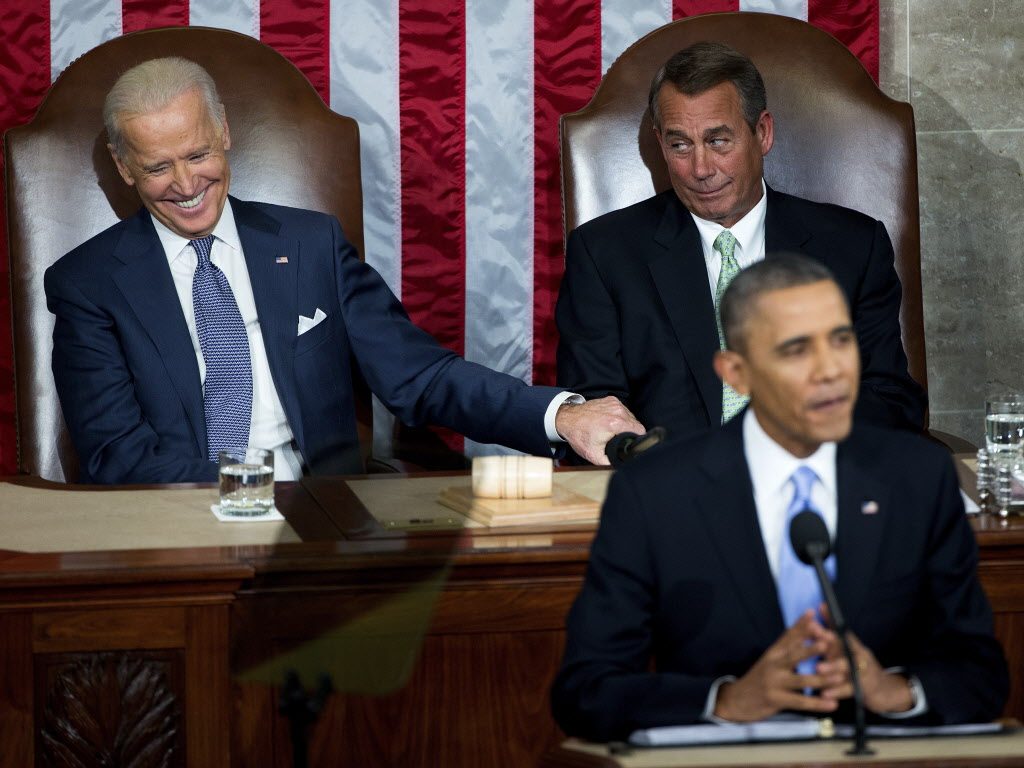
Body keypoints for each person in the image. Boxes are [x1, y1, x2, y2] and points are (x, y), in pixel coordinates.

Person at [44, 56, 643, 484]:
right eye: (157, 168)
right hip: (178, 529)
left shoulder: (311, 244)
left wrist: (561, 416)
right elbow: (117, 456)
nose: (185, 185)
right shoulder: (88, 284)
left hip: (325, 524)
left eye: (198, 154)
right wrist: (254, 497)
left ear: (224, 133)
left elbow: (421, 377)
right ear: (124, 168)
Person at [551, 255, 1007, 741]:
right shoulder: (657, 491)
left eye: (841, 341)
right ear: (736, 373)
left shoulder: (917, 476)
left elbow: (981, 677)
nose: (830, 370)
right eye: (796, 350)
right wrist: (727, 700)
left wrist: (892, 690)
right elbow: (587, 693)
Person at [555, 41, 926, 444]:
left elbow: (890, 398)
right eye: (680, 145)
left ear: (762, 133)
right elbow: (595, 416)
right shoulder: (604, 253)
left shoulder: (853, 247)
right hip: (671, 491)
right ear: (660, 144)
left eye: (718, 141)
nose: (701, 169)